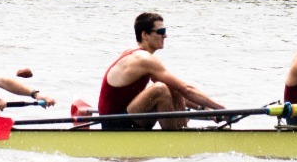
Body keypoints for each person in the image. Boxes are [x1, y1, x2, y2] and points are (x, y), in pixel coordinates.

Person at [96, 11, 226, 130]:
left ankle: (181, 132)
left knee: (171, 87)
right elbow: (186, 89)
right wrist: (220, 109)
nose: (165, 35)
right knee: (160, 89)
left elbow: (178, 91)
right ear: (145, 35)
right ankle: (175, 141)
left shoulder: (143, 58)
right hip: (114, 123)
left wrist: (205, 108)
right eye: (161, 31)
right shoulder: (142, 59)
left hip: (127, 117)